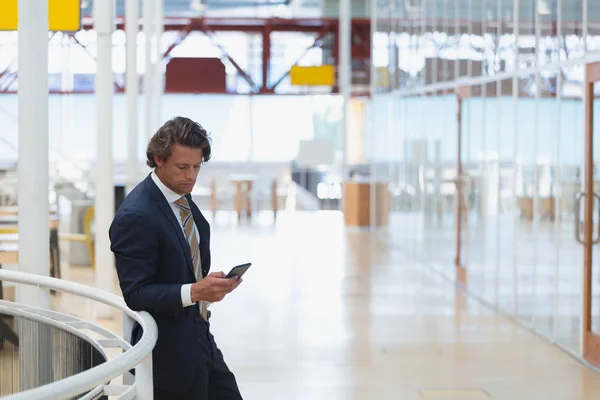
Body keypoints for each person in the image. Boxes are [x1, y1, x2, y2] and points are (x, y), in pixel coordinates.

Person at [109, 116, 244, 399]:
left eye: (197, 167)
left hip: (199, 334)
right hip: (169, 350)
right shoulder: (136, 216)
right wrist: (195, 291)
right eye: (183, 167)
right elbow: (136, 293)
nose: (191, 176)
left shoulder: (180, 197)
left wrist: (207, 287)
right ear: (159, 159)